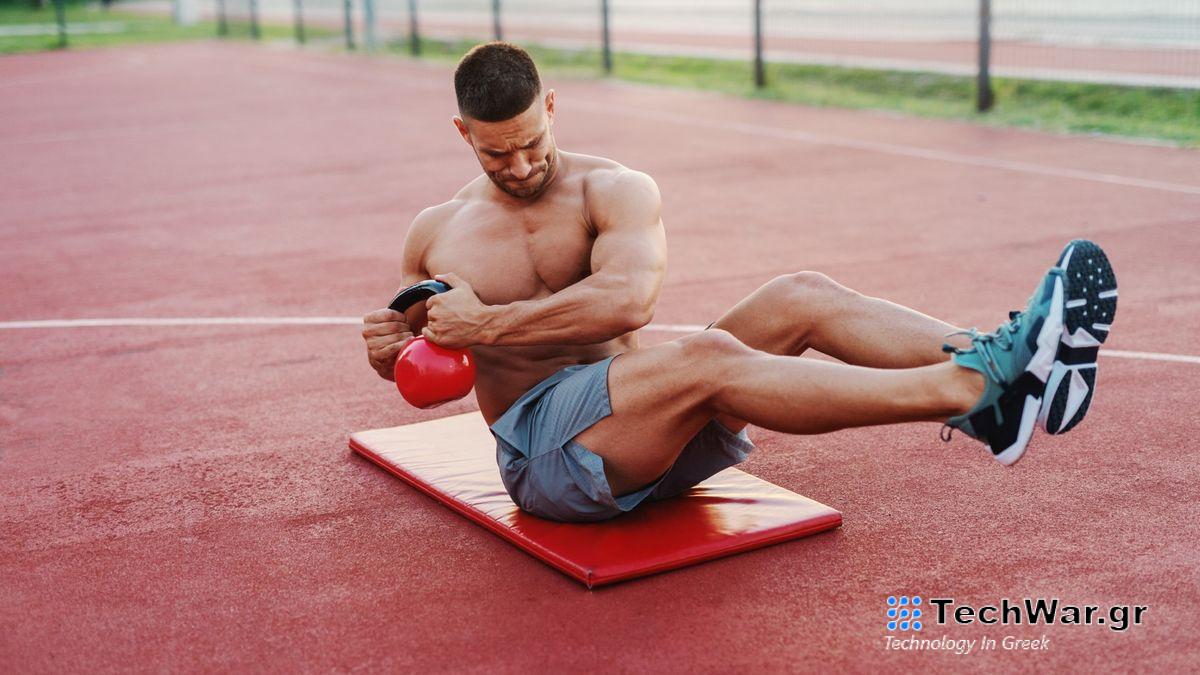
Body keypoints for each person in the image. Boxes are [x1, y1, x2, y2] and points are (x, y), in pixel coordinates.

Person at [361, 42, 1117, 522]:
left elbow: (629, 300)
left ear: (552, 107)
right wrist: (391, 348)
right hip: (550, 462)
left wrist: (487, 324)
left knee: (802, 293)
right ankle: (972, 388)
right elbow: (423, 371)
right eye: (498, 155)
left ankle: (995, 382)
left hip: (651, 434)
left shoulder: (614, 189)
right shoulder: (436, 231)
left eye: (532, 142)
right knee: (710, 355)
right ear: (464, 135)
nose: (521, 166)